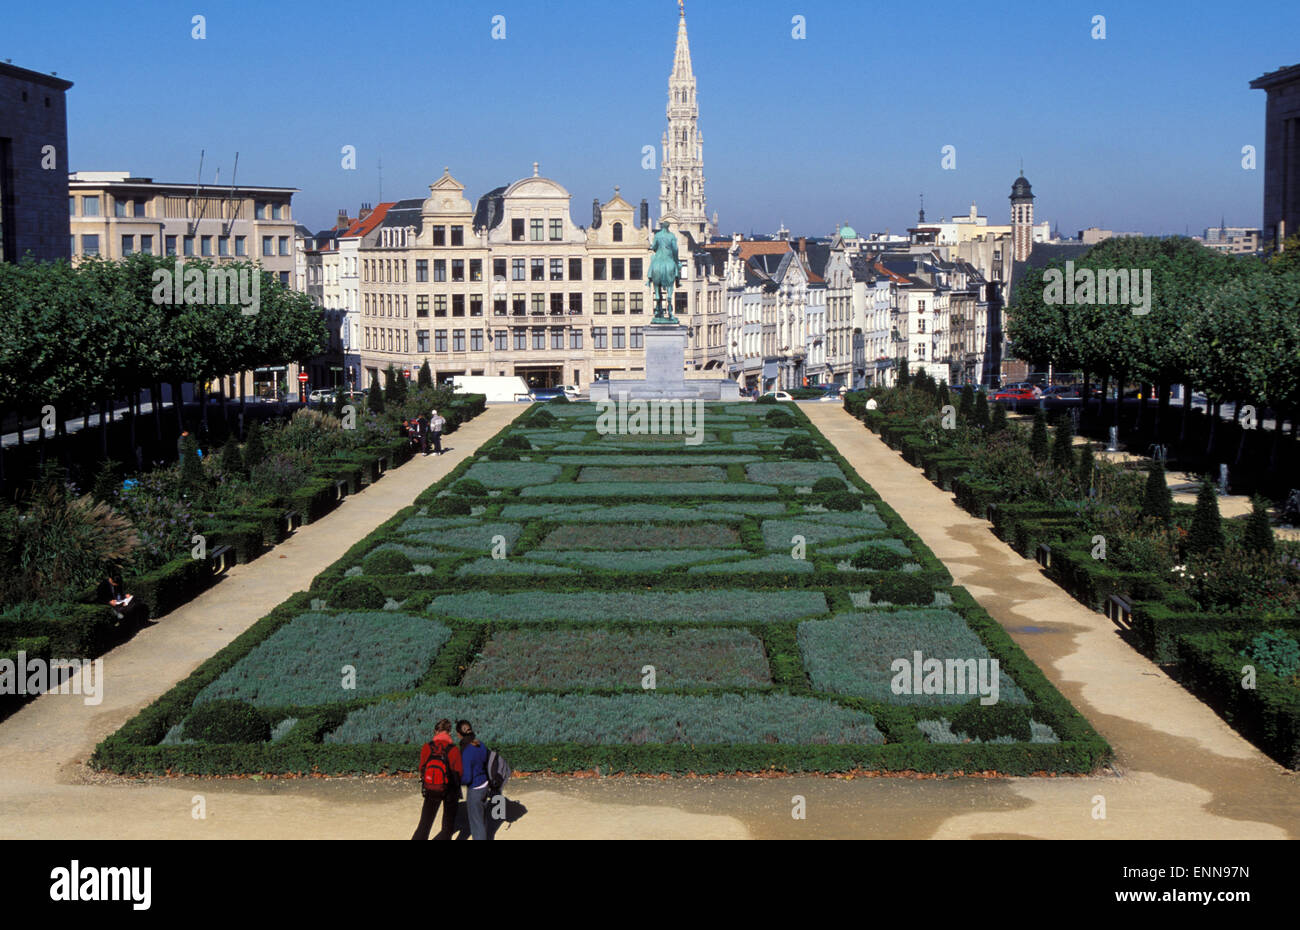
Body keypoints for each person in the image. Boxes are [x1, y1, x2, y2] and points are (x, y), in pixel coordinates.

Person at [411, 719, 462, 841]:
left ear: (435, 731)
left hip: (431, 788)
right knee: (447, 827)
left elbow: (421, 767)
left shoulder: (427, 747)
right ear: (449, 732)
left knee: (424, 824)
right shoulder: (453, 749)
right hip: (450, 791)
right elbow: (459, 772)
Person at [458, 723, 491, 841]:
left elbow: (467, 778)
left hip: (475, 789)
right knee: (482, 819)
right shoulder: (481, 744)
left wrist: (456, 780)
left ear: (459, 734)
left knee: (476, 825)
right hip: (485, 785)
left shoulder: (467, 751)